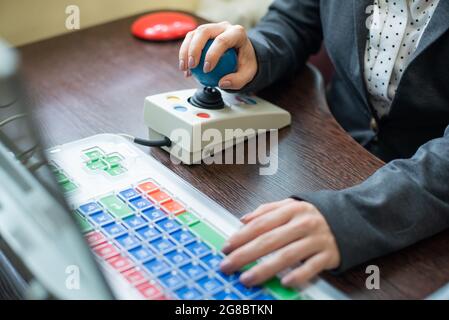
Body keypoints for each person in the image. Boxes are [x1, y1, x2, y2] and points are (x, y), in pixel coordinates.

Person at [179, 0, 449, 288]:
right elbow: (295, 19)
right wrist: (255, 53)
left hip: (424, 197)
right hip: (331, 143)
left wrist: (353, 217)